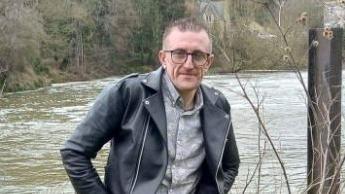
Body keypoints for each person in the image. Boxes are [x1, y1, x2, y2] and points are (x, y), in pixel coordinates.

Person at [60, 17, 240, 194]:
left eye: (198, 55)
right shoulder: (128, 93)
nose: (188, 64)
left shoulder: (218, 105)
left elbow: (229, 165)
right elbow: (75, 152)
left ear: (208, 62)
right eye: (179, 53)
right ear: (163, 57)